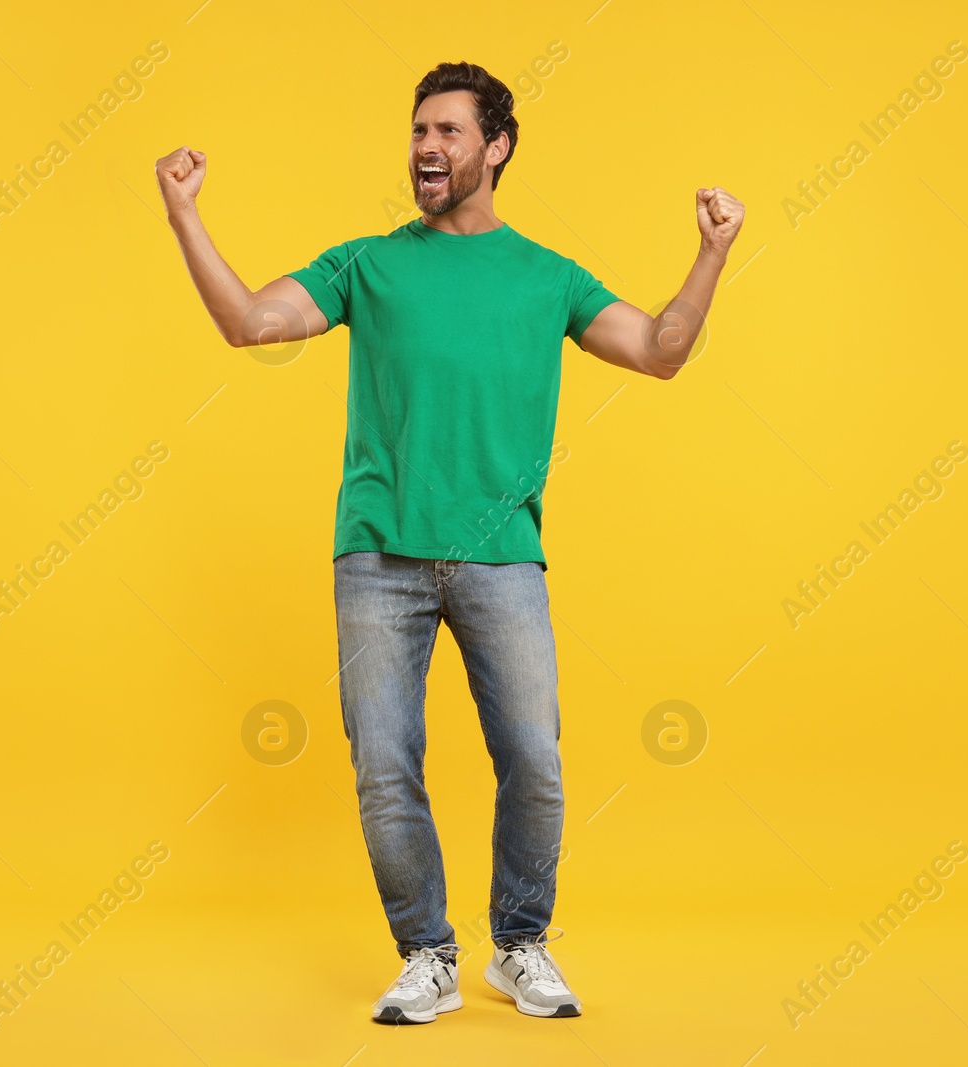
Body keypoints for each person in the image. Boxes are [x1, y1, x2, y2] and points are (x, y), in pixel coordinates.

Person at [156, 60, 743, 1025]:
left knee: (536, 762)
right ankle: (426, 952)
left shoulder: (550, 277)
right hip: (377, 557)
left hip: (502, 553)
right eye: (419, 132)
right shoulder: (367, 264)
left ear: (497, 145)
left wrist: (713, 253)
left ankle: (520, 944)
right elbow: (249, 322)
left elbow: (661, 352)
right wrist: (184, 213)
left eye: (448, 133)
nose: (427, 149)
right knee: (385, 762)